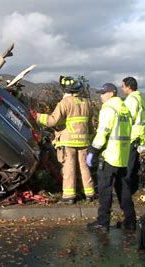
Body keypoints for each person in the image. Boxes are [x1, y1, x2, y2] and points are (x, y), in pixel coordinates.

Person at [32, 75, 95, 204]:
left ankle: (69, 196)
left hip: (68, 141)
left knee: (69, 168)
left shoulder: (65, 103)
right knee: (84, 167)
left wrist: (37, 116)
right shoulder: (87, 103)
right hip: (83, 141)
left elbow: (51, 121)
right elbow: (90, 125)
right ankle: (89, 193)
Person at [86, 83, 134, 232]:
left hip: (109, 156)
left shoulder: (108, 109)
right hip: (123, 156)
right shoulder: (124, 109)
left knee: (105, 190)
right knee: (123, 190)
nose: (101, 96)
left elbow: (102, 133)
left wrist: (93, 150)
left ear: (111, 93)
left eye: (103, 93)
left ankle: (103, 222)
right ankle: (130, 221)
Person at [122, 77, 145, 195]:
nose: (122, 89)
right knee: (135, 164)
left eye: (123, 86)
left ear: (128, 87)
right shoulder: (140, 99)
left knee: (129, 164)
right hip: (140, 135)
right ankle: (136, 186)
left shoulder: (131, 100)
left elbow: (128, 119)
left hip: (132, 135)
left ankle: (127, 190)